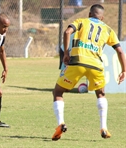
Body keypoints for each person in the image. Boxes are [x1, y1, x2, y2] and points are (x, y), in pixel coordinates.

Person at [52, 4, 126, 141]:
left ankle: (60, 123)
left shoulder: (81, 21)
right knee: (101, 94)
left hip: (77, 62)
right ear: (102, 17)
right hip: (96, 65)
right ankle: (104, 127)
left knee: (58, 92)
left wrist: (66, 54)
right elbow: (120, 51)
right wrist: (124, 70)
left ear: (89, 14)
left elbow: (67, 32)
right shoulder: (108, 29)